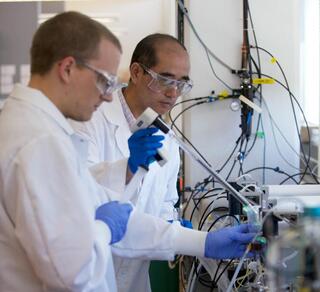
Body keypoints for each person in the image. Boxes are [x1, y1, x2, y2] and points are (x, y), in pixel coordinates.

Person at [0, 11, 258, 292]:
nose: (109, 94)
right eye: (104, 80)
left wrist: (202, 242)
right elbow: (74, 270)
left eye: (181, 84)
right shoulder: (38, 141)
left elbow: (118, 214)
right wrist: (107, 228)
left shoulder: (38, 129)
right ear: (68, 69)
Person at [71, 33, 193, 292]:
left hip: (135, 281)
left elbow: (163, 205)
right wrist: (127, 168)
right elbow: (74, 192)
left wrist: (175, 226)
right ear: (136, 72)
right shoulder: (89, 120)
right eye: (164, 80)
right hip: (87, 276)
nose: (173, 94)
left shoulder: (167, 140)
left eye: (182, 84)